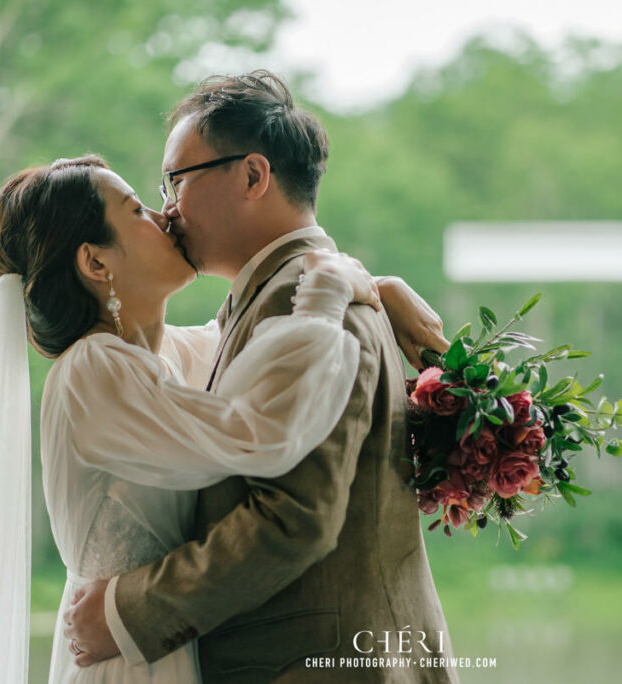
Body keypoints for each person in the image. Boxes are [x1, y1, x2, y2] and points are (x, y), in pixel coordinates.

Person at [0, 154, 449, 684]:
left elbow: (251, 340)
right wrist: (328, 293)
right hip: (124, 660)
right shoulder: (93, 371)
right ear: (96, 263)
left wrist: (379, 288)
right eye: (137, 209)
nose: (164, 215)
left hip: (165, 649)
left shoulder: (165, 357)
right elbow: (257, 428)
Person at [64, 71, 461, 683]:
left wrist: (125, 615)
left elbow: (294, 517)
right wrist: (375, 283)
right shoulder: (291, 295)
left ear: (252, 175)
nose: (167, 210)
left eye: (174, 181)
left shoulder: (298, 300)